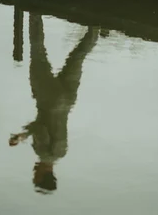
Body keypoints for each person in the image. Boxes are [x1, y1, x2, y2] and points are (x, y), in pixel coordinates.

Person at [9, 15, 98, 193]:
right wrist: (23, 135)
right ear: (42, 175)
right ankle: (34, 13)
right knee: (37, 51)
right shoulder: (42, 153)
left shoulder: (61, 152)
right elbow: (41, 129)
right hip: (47, 99)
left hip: (67, 101)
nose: (33, 172)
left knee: (78, 56)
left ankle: (97, 24)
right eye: (35, 176)